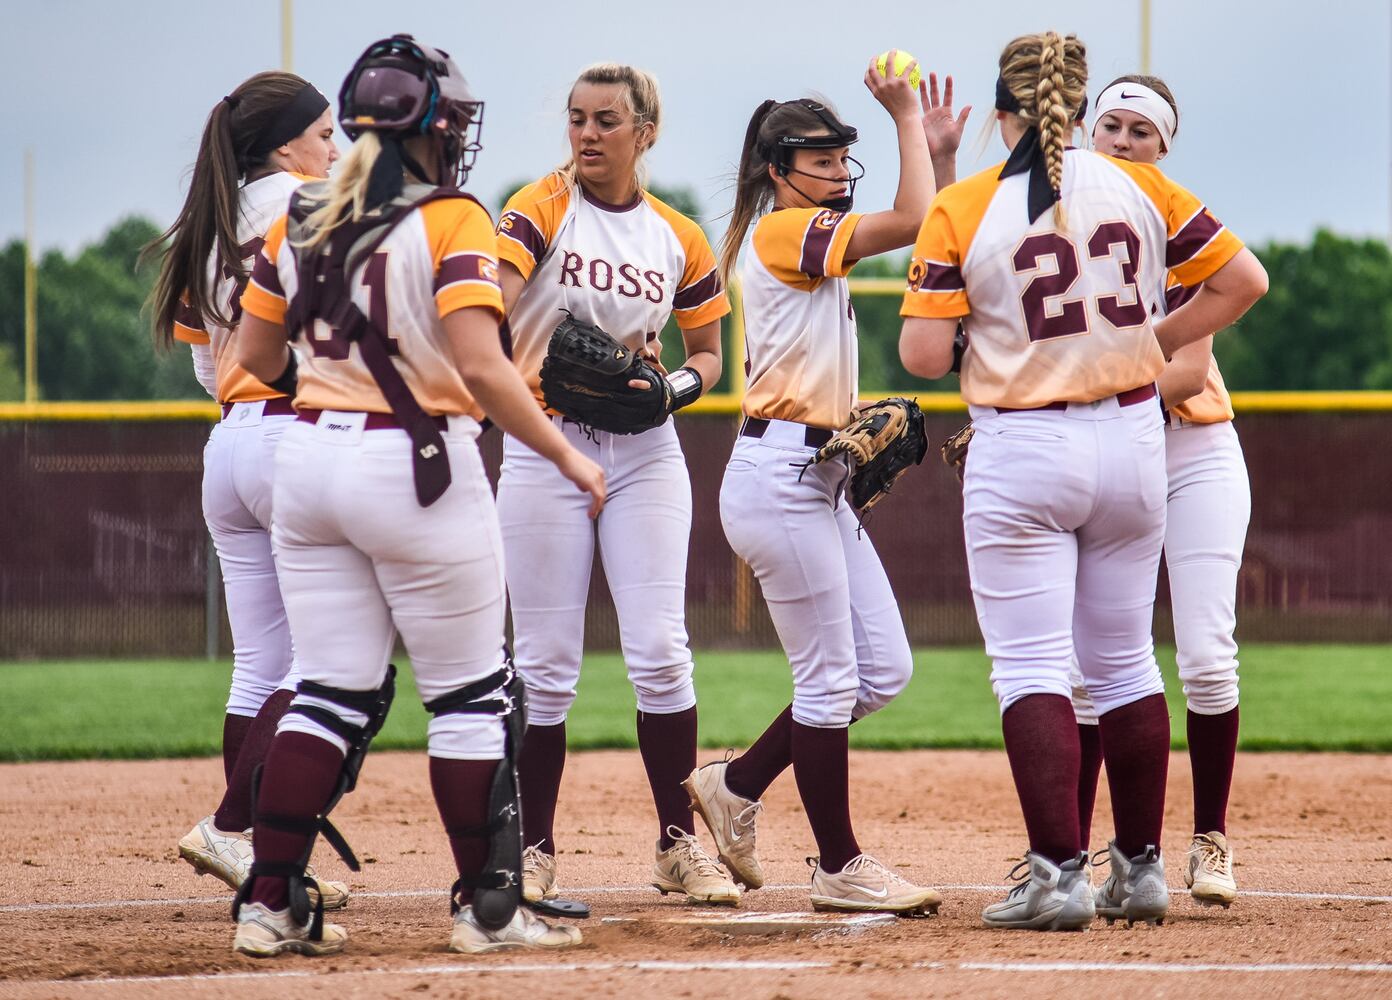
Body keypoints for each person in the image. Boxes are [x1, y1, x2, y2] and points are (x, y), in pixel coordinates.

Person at [230, 34, 605, 957]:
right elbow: (483, 365)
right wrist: (566, 454)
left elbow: (254, 358)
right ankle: (489, 909)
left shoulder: (303, 216)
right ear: (434, 125)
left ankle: (268, 901)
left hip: (309, 464)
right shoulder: (453, 218)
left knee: (327, 692)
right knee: (472, 697)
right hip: (418, 463)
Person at [899, 31, 1267, 930]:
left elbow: (919, 353)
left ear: (1000, 111)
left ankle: (1057, 875)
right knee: (1126, 662)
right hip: (1133, 439)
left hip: (1023, 443)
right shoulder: (1143, 188)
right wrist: (1146, 343)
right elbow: (1242, 280)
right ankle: (1140, 868)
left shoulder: (965, 205)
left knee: (1032, 667)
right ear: (1081, 102)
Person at [685, 56, 955, 916]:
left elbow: (930, 216)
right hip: (779, 479)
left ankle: (735, 785)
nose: (839, 172)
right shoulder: (778, 232)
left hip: (817, 475)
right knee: (831, 680)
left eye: (845, 157)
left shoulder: (807, 239)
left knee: (882, 672)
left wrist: (939, 156)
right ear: (778, 170)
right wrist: (907, 114)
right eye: (823, 159)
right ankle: (839, 866)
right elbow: (914, 220)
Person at [494, 64, 736, 906]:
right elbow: (491, 306)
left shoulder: (678, 235)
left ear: (645, 132)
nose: (588, 134)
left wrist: (674, 389)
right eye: (576, 118)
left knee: (662, 653)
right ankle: (532, 852)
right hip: (542, 442)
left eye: (606, 120)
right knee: (547, 665)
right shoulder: (539, 207)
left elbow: (708, 353)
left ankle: (678, 846)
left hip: (644, 451)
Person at [145, 70, 350, 910]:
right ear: (285, 145)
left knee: (260, 662)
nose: (334, 148)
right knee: (326, 662)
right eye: (326, 134)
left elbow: (206, 362)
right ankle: (238, 829)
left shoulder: (210, 221)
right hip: (295, 434)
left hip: (230, 439)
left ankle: (268, 860)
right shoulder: (306, 204)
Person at [1070, 74, 1251, 908]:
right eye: (1111, 123)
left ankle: (1209, 839)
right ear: (1084, 130)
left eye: (1142, 130)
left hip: (1193, 451)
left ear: (1164, 148)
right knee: (1085, 669)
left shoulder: (1180, 227)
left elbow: (1185, 369)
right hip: (1107, 450)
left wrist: (1076, 389)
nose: (1123, 138)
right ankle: (1064, 852)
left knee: (1207, 657)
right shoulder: (1059, 224)